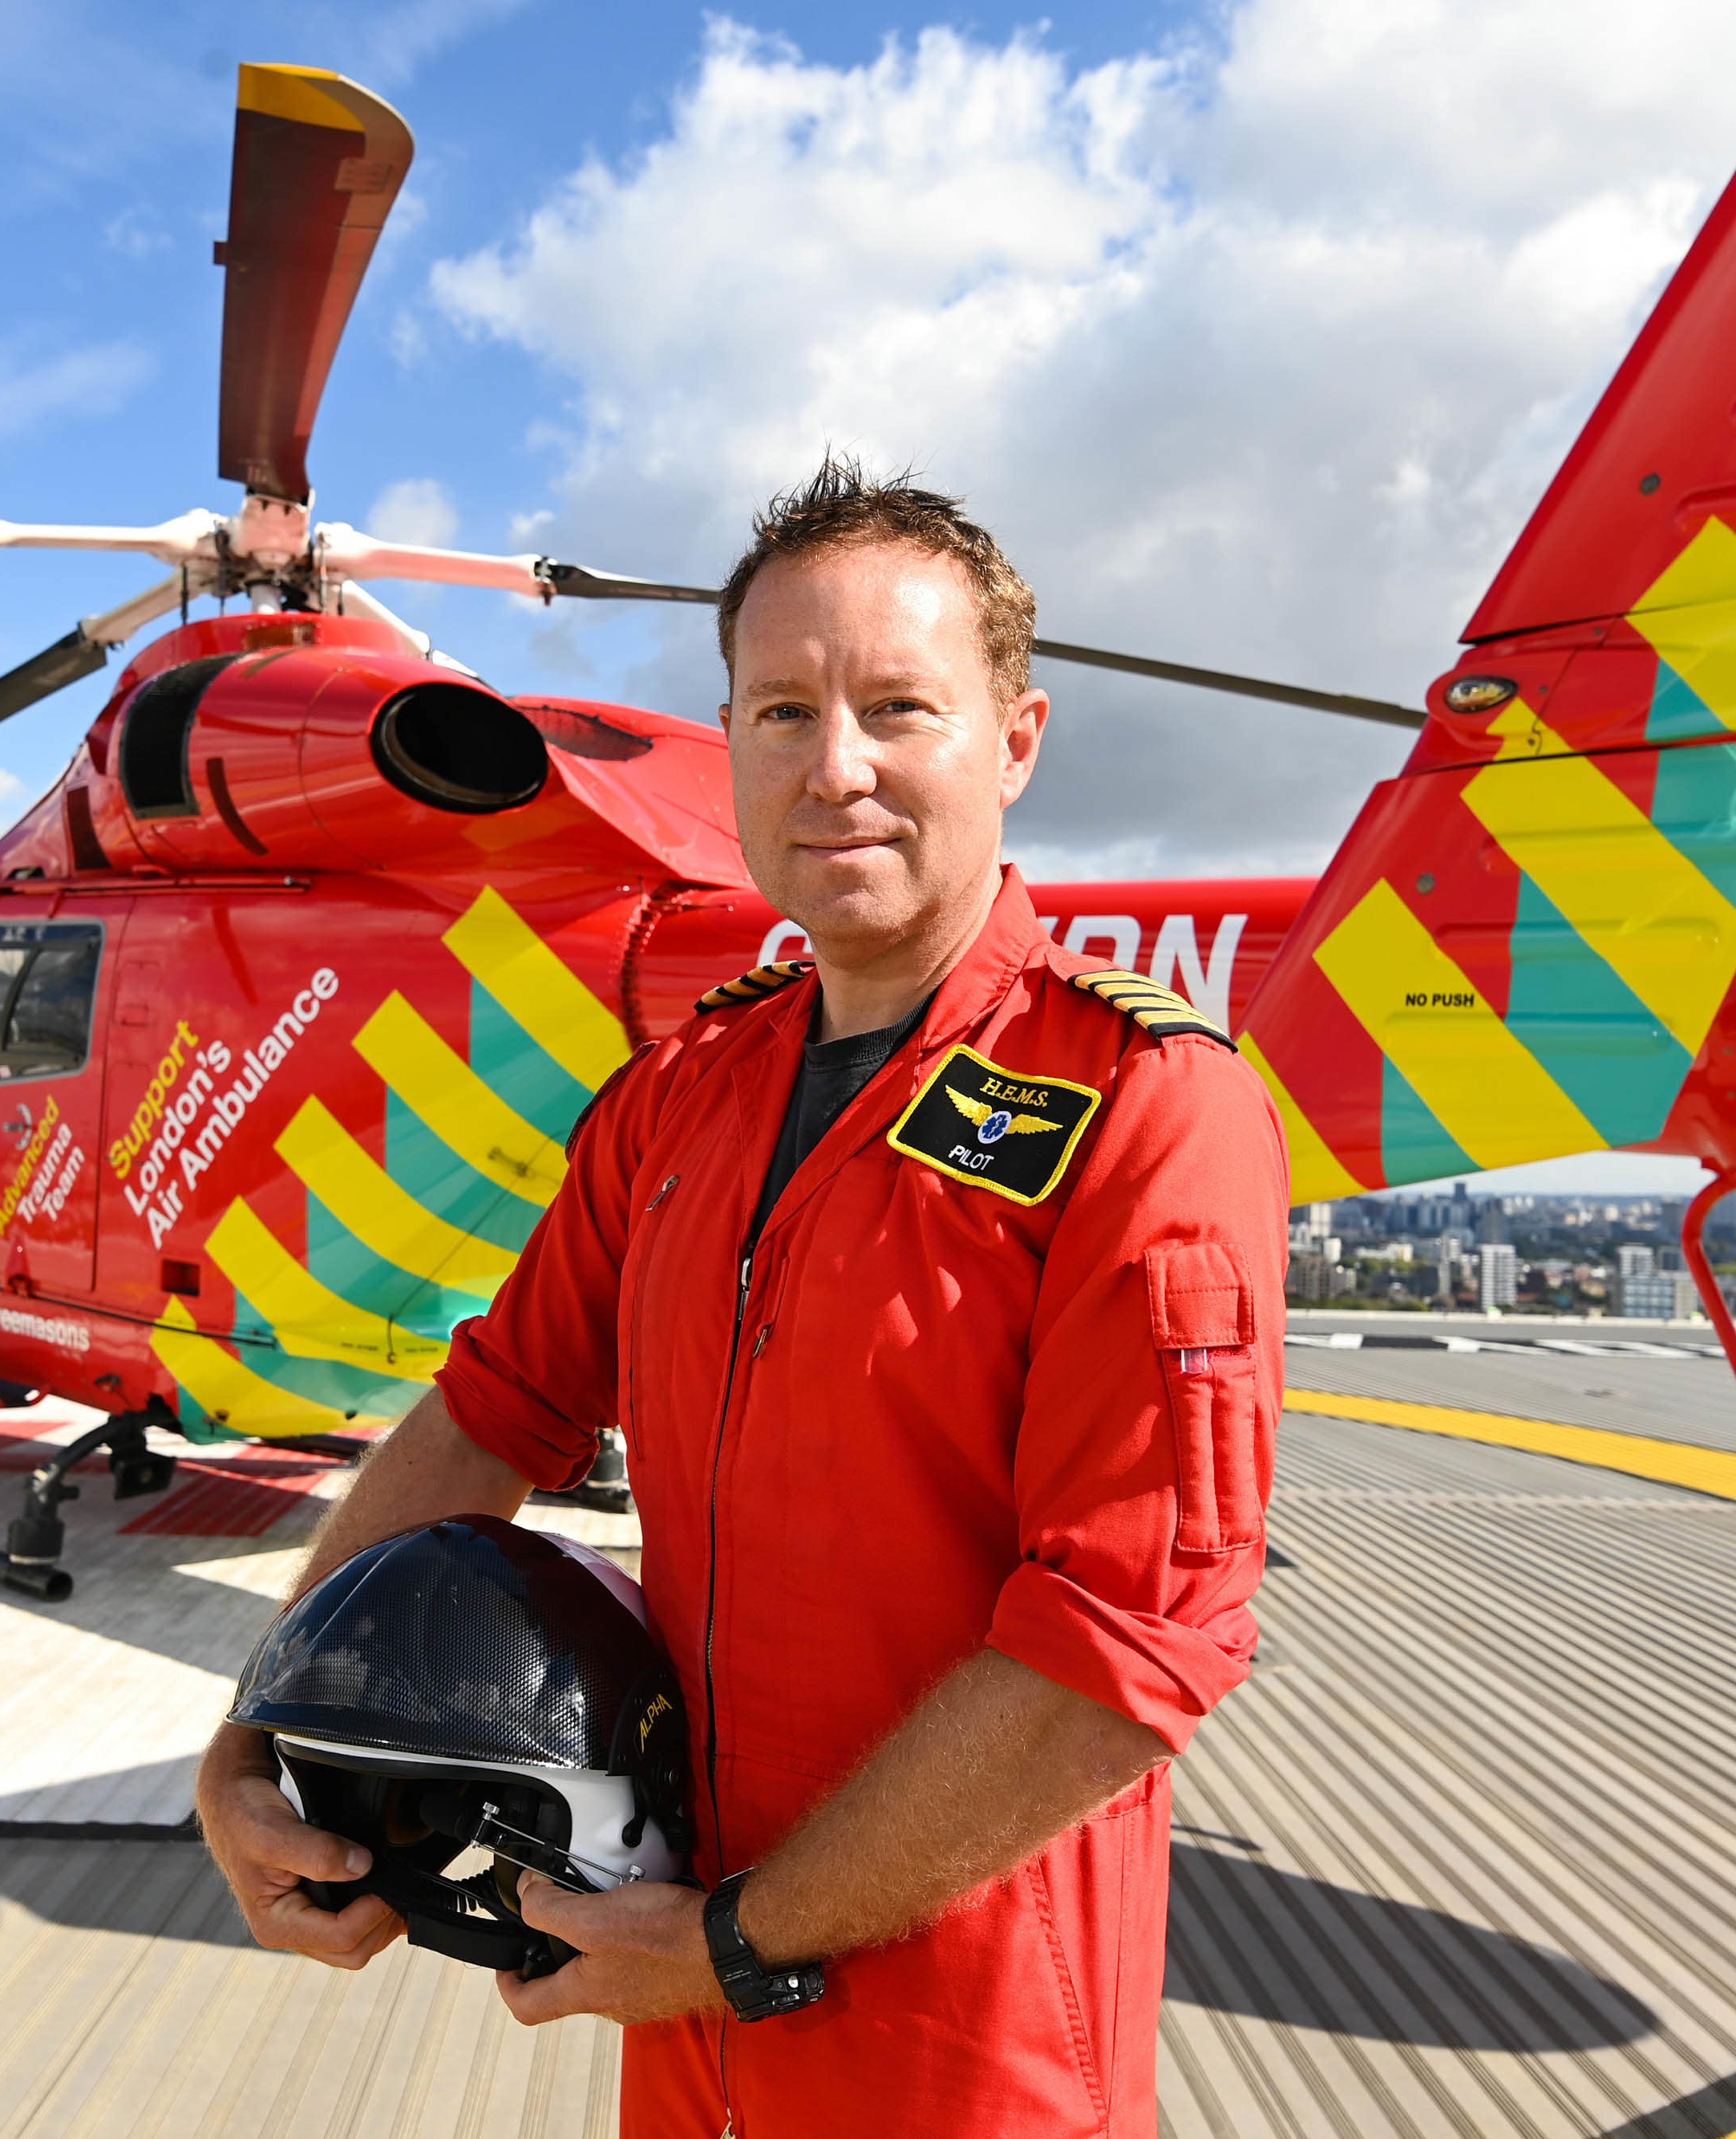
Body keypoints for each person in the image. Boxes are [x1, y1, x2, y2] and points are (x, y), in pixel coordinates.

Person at [197, 456, 1289, 2136]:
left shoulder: (1146, 1102)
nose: (833, 767)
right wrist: (261, 1738)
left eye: (896, 707)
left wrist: (734, 1943)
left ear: (1016, 737)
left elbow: (1118, 1649)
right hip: (685, 2026)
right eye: (778, 713)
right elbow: (494, 1406)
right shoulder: (680, 1099)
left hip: (959, 2053)